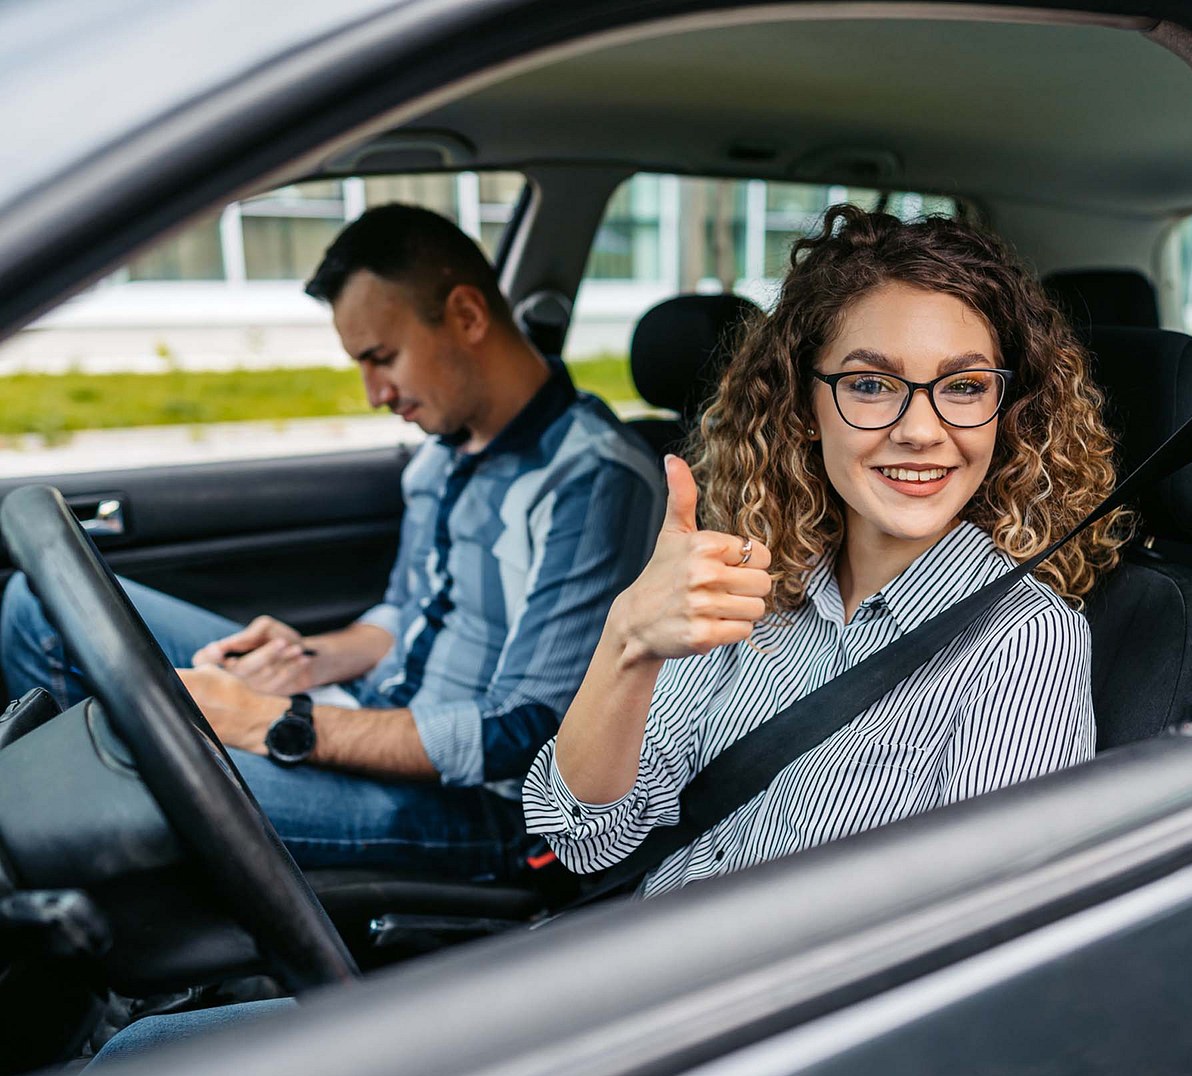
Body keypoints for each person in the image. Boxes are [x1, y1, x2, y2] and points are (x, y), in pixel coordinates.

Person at [2, 204, 664, 881]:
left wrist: (275, 722)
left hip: (476, 807)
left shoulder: (593, 481)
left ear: (466, 317)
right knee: (39, 608)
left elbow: (523, 729)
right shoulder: (443, 451)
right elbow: (405, 613)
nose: (374, 393)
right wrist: (306, 660)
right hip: (371, 711)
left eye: (382, 358)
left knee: (119, 775)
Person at [523, 203, 1127, 897]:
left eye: (963, 387)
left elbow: (987, 931)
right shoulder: (751, 578)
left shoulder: (1024, 638)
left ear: (1007, 410)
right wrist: (628, 641)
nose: (921, 431)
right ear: (804, 409)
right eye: (871, 385)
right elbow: (584, 838)